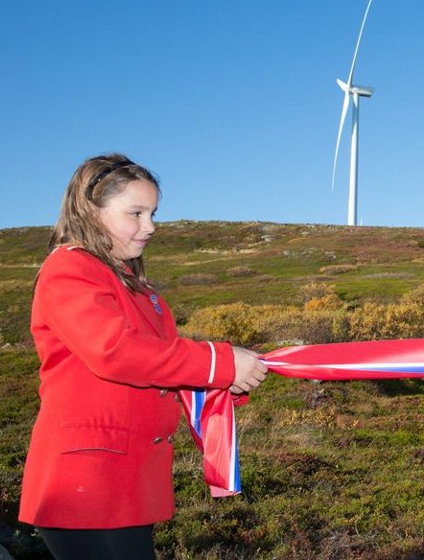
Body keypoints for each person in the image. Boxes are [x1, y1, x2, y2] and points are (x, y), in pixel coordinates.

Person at [19, 154, 269, 560]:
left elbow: (161, 366)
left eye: (152, 213)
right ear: (91, 210)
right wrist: (218, 363)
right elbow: (116, 352)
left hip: (123, 476)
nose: (149, 226)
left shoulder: (137, 288)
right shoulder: (69, 269)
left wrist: (226, 378)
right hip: (85, 480)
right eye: (135, 212)